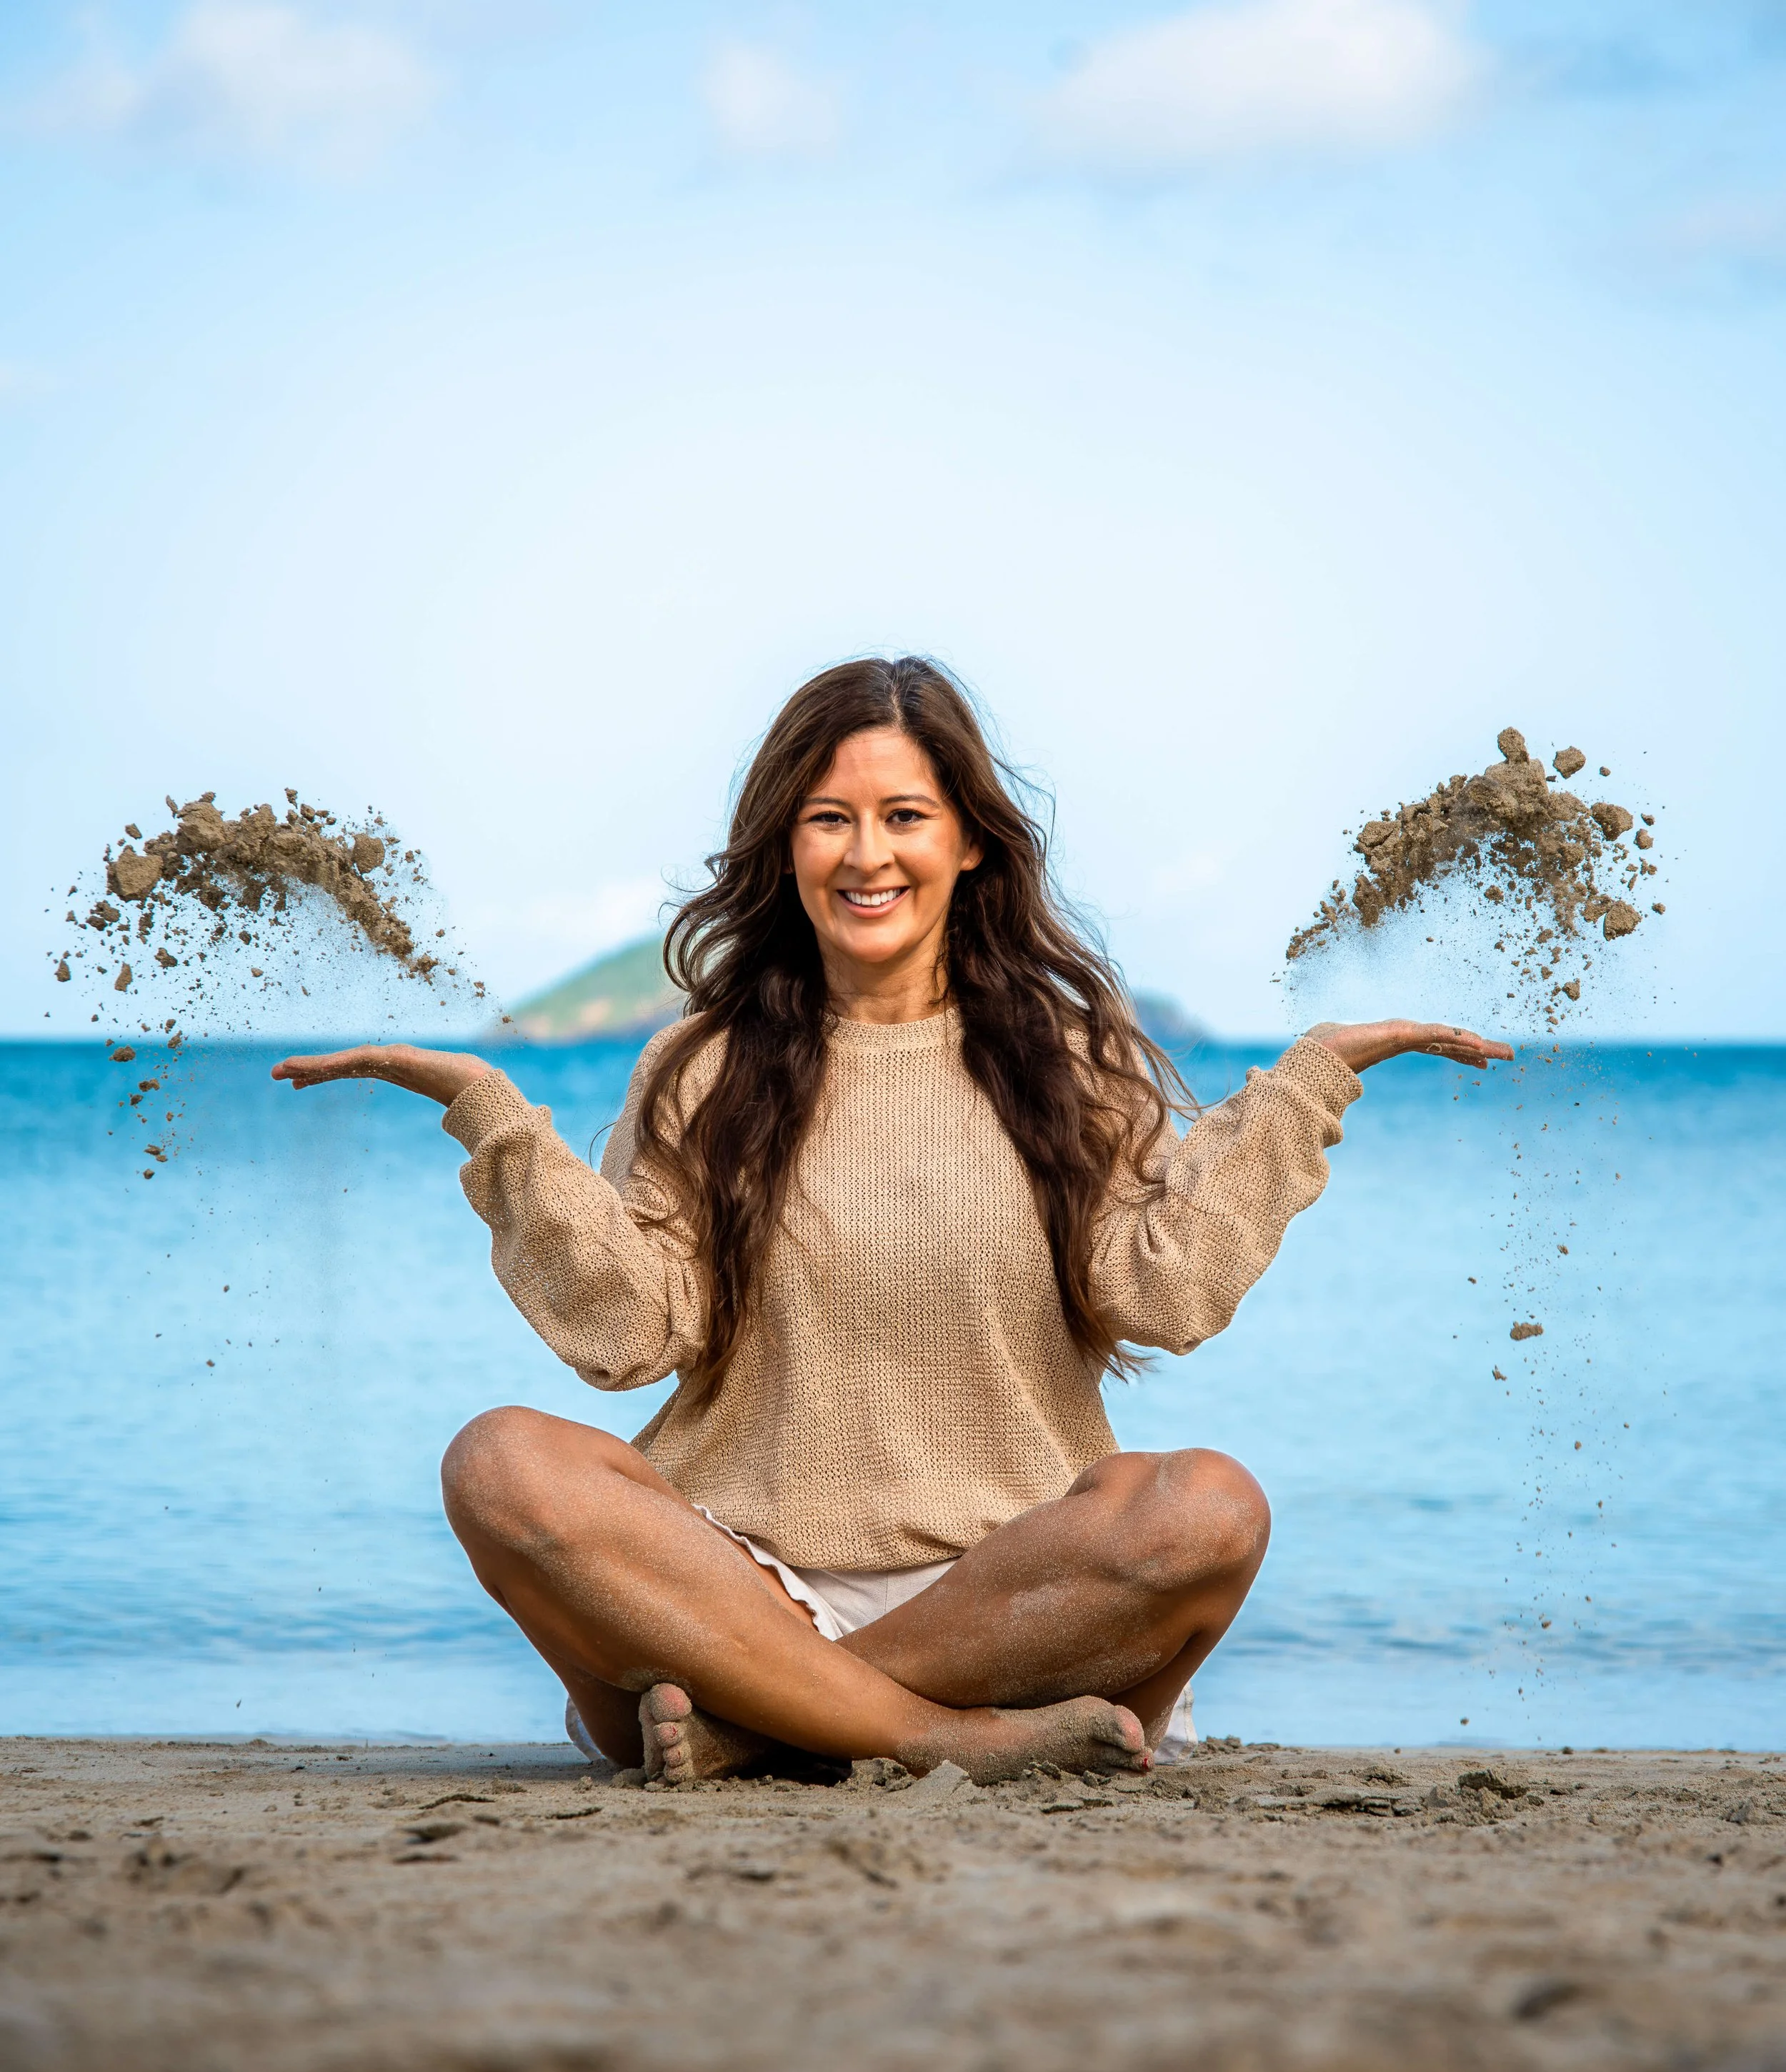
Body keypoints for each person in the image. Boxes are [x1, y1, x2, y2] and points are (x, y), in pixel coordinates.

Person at [274, 657, 1510, 1786]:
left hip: (1011, 1604)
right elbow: (629, 1331)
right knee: (499, 1460)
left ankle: (767, 1728)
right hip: (724, 1597)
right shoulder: (698, 1064)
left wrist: (1306, 1086)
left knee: (1212, 1506)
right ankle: (937, 1739)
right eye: (830, 818)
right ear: (787, 845)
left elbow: (1161, 1293)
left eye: (905, 816)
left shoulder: (1075, 1055)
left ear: (972, 839)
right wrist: (493, 1118)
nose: (869, 855)